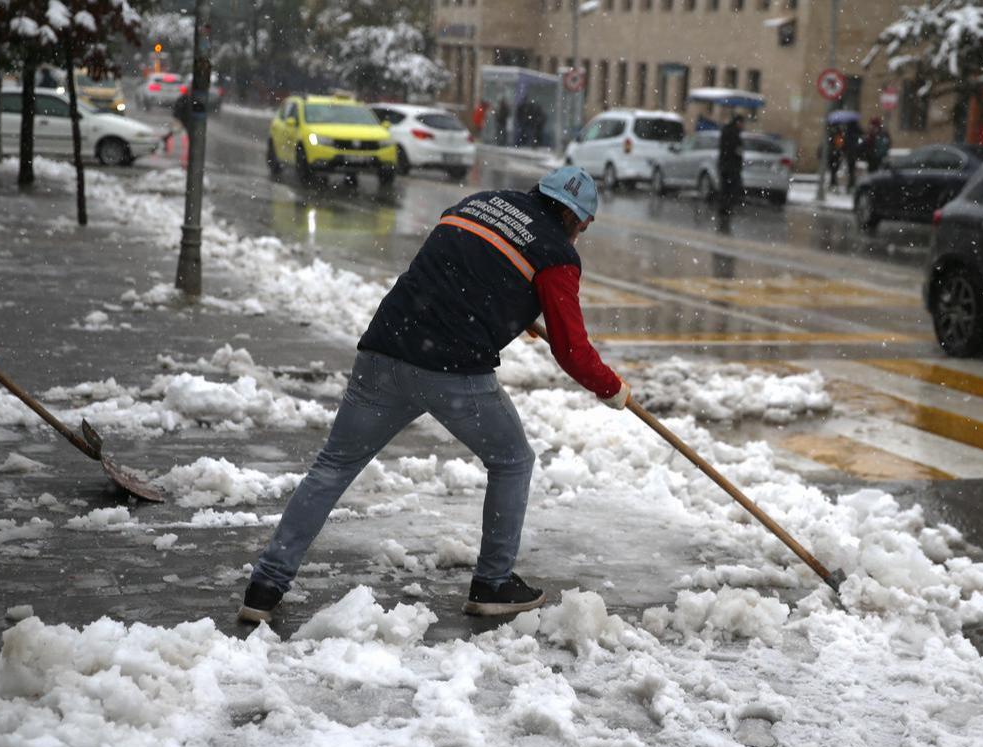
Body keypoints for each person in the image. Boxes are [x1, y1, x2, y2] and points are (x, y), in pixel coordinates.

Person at [237, 166, 629, 623]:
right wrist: (612, 388)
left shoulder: (478, 204)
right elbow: (572, 349)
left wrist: (503, 301)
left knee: (333, 466)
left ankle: (264, 587)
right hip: (452, 372)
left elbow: (459, 267)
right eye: (584, 225)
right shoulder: (556, 253)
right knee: (512, 460)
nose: (581, 234)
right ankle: (493, 583)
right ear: (573, 217)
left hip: (384, 349)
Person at [716, 114, 744, 220]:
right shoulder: (733, 133)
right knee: (729, 189)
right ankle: (726, 208)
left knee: (725, 188)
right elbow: (736, 150)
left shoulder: (726, 131)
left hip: (726, 165)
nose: (742, 125)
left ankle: (724, 208)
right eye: (741, 123)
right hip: (731, 166)